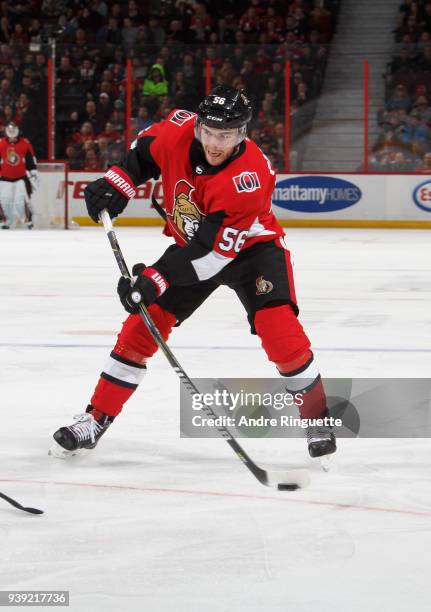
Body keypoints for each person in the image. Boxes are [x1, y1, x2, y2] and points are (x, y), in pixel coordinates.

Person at [51, 86, 336, 461]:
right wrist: (118, 181)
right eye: (209, 132)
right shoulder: (178, 130)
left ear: (243, 134)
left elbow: (212, 253)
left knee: (279, 331)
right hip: (193, 246)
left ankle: (316, 418)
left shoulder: (248, 178)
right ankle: (96, 419)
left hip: (252, 253)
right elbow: (144, 153)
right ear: (199, 125)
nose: (215, 144)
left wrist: (155, 278)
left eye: (226, 136)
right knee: (143, 324)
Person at [0, 122, 39, 229]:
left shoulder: (25, 143)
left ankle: (28, 221)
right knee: (4, 201)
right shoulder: (0, 143)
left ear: (17, 132)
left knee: (20, 201)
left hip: (21, 178)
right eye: (10, 132)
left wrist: (33, 173)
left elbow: (31, 161)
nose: (12, 135)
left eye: (14, 132)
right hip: (4, 178)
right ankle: (6, 221)